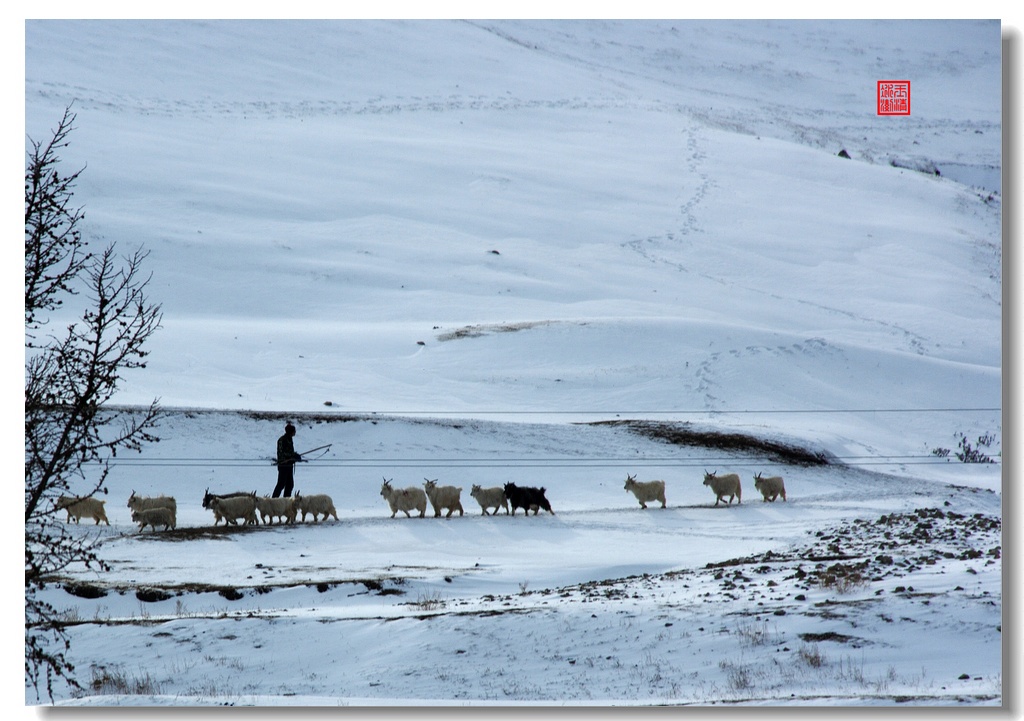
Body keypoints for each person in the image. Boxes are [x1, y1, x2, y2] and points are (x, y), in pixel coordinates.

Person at [272, 422, 302, 498]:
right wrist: (292, 455)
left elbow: (290, 451)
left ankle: (286, 501)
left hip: (289, 465)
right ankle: (273, 501)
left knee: (290, 485)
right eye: (294, 431)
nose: (295, 432)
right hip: (283, 465)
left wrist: (294, 456)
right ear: (291, 432)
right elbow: (282, 453)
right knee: (281, 484)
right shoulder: (282, 440)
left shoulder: (290, 439)